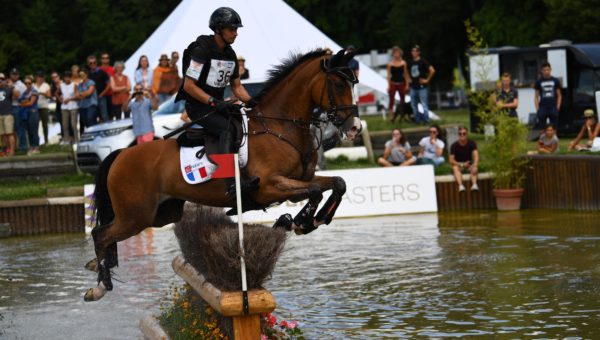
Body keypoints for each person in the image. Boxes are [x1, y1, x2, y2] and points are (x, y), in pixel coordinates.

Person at [176, 7, 257, 195]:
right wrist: (213, 101)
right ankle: (230, 183)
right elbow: (189, 86)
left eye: (237, 29)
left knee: (244, 123)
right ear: (218, 29)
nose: (236, 33)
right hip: (197, 106)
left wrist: (254, 102)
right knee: (226, 128)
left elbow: (237, 87)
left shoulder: (230, 55)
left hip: (217, 105)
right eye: (232, 29)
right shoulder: (201, 51)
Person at [408, 45, 435, 124]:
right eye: (412, 51)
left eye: (415, 51)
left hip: (422, 87)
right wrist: (408, 79)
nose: (413, 53)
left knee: (424, 104)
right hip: (413, 86)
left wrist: (427, 80)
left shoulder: (423, 61)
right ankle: (417, 119)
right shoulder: (410, 62)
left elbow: (432, 70)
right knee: (413, 104)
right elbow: (406, 71)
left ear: (419, 52)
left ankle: (426, 119)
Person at [450, 127, 479, 192]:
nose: (462, 135)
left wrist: (475, 165)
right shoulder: (454, 145)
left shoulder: (472, 143)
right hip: (459, 165)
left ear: (467, 134)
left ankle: (474, 185)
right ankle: (461, 186)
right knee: (455, 168)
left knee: (475, 168)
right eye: (460, 134)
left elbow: (476, 156)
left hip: (469, 164)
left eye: (464, 133)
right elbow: (451, 160)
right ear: (458, 134)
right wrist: (462, 164)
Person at [534, 62, 562, 127]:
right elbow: (536, 96)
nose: (546, 71)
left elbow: (559, 95)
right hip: (542, 107)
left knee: (554, 127)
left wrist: (557, 107)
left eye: (547, 69)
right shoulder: (538, 82)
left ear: (550, 70)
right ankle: (543, 137)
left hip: (553, 107)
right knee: (542, 127)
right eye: (544, 70)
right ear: (542, 71)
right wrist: (538, 109)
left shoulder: (555, 80)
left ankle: (554, 137)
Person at [18, 75, 40, 155]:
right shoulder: (24, 92)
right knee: (29, 131)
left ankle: (36, 147)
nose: (27, 85)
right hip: (26, 114)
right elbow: (20, 101)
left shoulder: (34, 91)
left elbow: (31, 102)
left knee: (34, 130)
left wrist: (23, 104)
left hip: (33, 113)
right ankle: (32, 146)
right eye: (26, 83)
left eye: (29, 83)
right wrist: (24, 102)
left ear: (32, 83)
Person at [386, 46, 408, 122]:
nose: (396, 54)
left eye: (397, 53)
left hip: (401, 83)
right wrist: (388, 85)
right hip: (393, 83)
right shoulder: (390, 64)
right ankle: (391, 116)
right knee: (391, 100)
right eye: (395, 53)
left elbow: (405, 74)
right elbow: (388, 75)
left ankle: (404, 115)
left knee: (403, 100)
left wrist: (407, 84)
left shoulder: (403, 63)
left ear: (400, 54)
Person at [87, 55, 110, 122]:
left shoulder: (102, 72)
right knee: (93, 117)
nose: (93, 64)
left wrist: (102, 94)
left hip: (101, 97)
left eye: (94, 62)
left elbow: (108, 85)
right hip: (91, 98)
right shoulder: (87, 74)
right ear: (88, 64)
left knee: (104, 115)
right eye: (91, 63)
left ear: (96, 63)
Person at [9, 68, 27, 151]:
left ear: (18, 75)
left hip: (18, 107)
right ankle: (13, 148)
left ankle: (22, 147)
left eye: (16, 74)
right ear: (10, 75)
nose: (14, 76)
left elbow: (18, 97)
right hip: (9, 108)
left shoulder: (21, 85)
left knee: (20, 128)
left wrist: (12, 88)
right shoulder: (7, 84)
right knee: (11, 129)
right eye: (13, 74)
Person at [59, 71, 79, 144]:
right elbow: (56, 93)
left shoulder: (74, 85)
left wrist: (69, 99)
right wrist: (60, 99)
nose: (67, 79)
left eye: (68, 77)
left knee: (73, 124)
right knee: (65, 125)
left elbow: (77, 95)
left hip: (73, 106)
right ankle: (66, 140)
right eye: (65, 77)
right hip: (64, 107)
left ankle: (76, 140)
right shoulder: (61, 85)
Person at [76, 69, 98, 133]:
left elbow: (89, 92)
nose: (82, 76)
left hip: (91, 104)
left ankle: (95, 133)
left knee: (90, 119)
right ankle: (90, 134)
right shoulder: (79, 85)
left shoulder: (91, 82)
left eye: (83, 74)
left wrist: (81, 94)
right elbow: (77, 95)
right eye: (80, 75)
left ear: (86, 75)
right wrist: (83, 94)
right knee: (85, 121)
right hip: (82, 105)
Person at [0, 73, 16, 156]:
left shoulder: (8, 89)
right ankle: (6, 150)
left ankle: (12, 151)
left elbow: (17, 96)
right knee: (2, 135)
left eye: (2, 79)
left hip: (7, 114)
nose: (0, 80)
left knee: (9, 133)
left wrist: (12, 87)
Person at [34, 71, 51, 144]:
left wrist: (41, 93)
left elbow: (49, 95)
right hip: (35, 107)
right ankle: (36, 141)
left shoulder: (46, 85)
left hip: (44, 106)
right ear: (36, 78)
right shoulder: (33, 85)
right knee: (35, 124)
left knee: (45, 124)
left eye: (41, 77)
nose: (40, 79)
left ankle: (46, 140)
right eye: (38, 77)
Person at [50, 71, 63, 138]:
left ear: (59, 77)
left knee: (66, 122)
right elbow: (51, 95)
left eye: (56, 76)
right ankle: (63, 136)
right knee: (60, 120)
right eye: (53, 77)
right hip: (58, 105)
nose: (54, 78)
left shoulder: (63, 83)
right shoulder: (52, 86)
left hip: (65, 105)